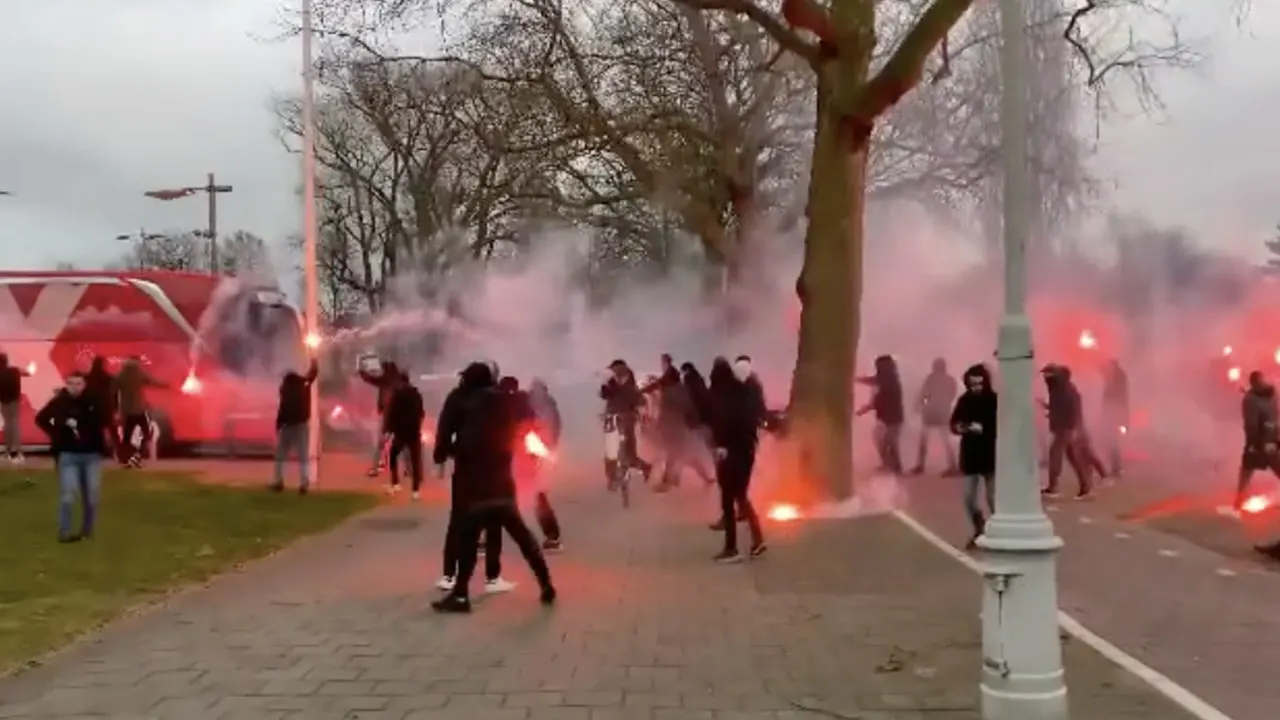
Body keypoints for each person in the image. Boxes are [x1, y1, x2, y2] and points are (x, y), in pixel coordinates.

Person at [432, 361, 556, 614]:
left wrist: (448, 452)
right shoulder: (506, 400)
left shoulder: (458, 399)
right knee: (522, 536)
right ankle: (546, 584)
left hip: (472, 483)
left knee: (468, 537)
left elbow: (442, 442)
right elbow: (529, 423)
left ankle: (460, 595)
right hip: (501, 482)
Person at [433, 363, 511, 593]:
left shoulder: (457, 397)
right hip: (493, 469)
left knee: (458, 519)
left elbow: (444, 428)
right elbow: (509, 431)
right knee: (494, 521)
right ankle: (493, 577)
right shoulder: (497, 398)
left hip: (465, 467)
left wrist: (442, 454)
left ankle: (449, 574)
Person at [35, 372, 110, 543]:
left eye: (78, 383)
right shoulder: (60, 402)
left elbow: (105, 419)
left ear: (84, 385)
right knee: (68, 494)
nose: (74, 387)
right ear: (66, 384)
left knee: (92, 495)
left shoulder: (94, 400)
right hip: (68, 454)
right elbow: (41, 418)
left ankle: (87, 531)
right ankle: (64, 532)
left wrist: (84, 423)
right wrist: (56, 433)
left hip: (91, 454)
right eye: (71, 383)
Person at [707, 356, 766, 562]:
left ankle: (732, 548)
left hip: (734, 453)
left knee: (730, 499)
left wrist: (723, 446)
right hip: (745, 451)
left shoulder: (734, 398)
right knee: (740, 497)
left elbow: (730, 424)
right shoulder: (748, 394)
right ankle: (757, 540)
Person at [950, 364, 997, 548]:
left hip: (990, 453)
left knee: (992, 498)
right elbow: (954, 422)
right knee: (968, 498)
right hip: (970, 454)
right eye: (972, 383)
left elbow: (1001, 426)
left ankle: (997, 529)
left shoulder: (993, 400)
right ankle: (979, 526)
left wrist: (984, 429)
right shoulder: (964, 400)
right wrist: (960, 427)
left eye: (979, 383)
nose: (976, 387)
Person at [1041, 364, 1093, 499]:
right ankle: (1085, 486)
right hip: (1064, 427)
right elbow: (1060, 407)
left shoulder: (1062, 388)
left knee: (1055, 455)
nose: (1044, 377)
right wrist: (1048, 408)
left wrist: (1073, 427)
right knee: (1072, 457)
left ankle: (1054, 487)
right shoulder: (1059, 387)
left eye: (1047, 374)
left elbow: (1071, 409)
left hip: (1064, 428)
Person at [600, 359, 652, 488]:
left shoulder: (623, 380)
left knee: (619, 454)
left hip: (622, 420)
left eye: (614, 369)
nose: (613, 372)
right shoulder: (620, 382)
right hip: (619, 419)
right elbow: (607, 395)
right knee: (623, 454)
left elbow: (610, 393)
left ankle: (615, 479)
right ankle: (641, 469)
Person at [271, 358, 319, 494]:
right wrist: (314, 361)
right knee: (303, 456)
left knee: (280, 455)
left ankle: (278, 482)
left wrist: (278, 425)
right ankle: (304, 483)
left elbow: (282, 408)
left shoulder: (285, 389)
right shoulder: (304, 384)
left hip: (286, 425)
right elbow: (313, 374)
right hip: (301, 425)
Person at [528, 378, 564, 551]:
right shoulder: (523, 406)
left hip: (529, 457)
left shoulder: (547, 407)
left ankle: (552, 536)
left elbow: (554, 427)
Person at [1236, 370, 1280, 511]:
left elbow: (1251, 424)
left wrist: (1253, 443)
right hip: (1273, 437)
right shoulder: (1274, 394)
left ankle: (1240, 499)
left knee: (1247, 469)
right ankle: (1240, 498)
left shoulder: (1250, 400)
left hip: (1261, 440)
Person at [856, 355, 905, 475]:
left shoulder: (890, 381)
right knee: (882, 440)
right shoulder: (887, 379)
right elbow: (874, 381)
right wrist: (857, 379)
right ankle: (889, 464)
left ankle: (896, 466)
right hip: (886, 416)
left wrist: (864, 410)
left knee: (889, 441)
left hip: (893, 417)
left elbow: (878, 399)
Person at [113, 357, 165, 467]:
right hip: (139, 410)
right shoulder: (139, 374)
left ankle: (124, 457)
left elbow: (113, 390)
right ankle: (137, 455)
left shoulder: (120, 375)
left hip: (127, 411)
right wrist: (167, 385)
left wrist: (116, 409)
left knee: (127, 436)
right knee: (147, 433)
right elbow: (153, 382)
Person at [912, 358, 958, 475]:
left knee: (924, 439)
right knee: (947, 440)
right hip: (943, 412)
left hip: (930, 411)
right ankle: (953, 466)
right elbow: (952, 394)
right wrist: (944, 402)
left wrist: (920, 404)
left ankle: (920, 465)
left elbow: (924, 393)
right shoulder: (950, 380)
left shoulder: (931, 378)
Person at [386, 371, 426, 499]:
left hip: (401, 432)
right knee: (415, 460)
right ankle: (415, 490)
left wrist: (389, 429)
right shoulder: (416, 394)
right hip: (414, 431)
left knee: (393, 456)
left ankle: (395, 482)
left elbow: (392, 412)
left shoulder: (398, 395)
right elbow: (421, 412)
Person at [359, 359, 401, 477]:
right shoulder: (398, 382)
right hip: (399, 417)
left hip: (389, 417)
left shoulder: (386, 381)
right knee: (403, 443)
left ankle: (376, 467)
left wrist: (362, 373)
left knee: (382, 443)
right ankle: (409, 469)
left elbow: (372, 379)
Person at [1100, 359, 1130, 477]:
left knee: (1112, 441)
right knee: (1110, 441)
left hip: (1116, 413)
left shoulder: (1117, 378)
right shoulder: (1116, 376)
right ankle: (1115, 467)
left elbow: (1116, 397)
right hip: (1114, 412)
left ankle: (1116, 468)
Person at [0, 353, 32, 464]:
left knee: (8, 425)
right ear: (6, 361)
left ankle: (8, 450)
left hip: (3, 400)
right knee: (15, 424)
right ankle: (16, 451)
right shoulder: (14, 370)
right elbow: (28, 372)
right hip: (14, 400)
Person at [84, 356, 117, 455]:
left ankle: (96, 451)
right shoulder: (109, 378)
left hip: (92, 408)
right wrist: (115, 408)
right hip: (106, 407)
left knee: (94, 431)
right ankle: (117, 453)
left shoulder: (87, 378)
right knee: (112, 431)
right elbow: (114, 394)